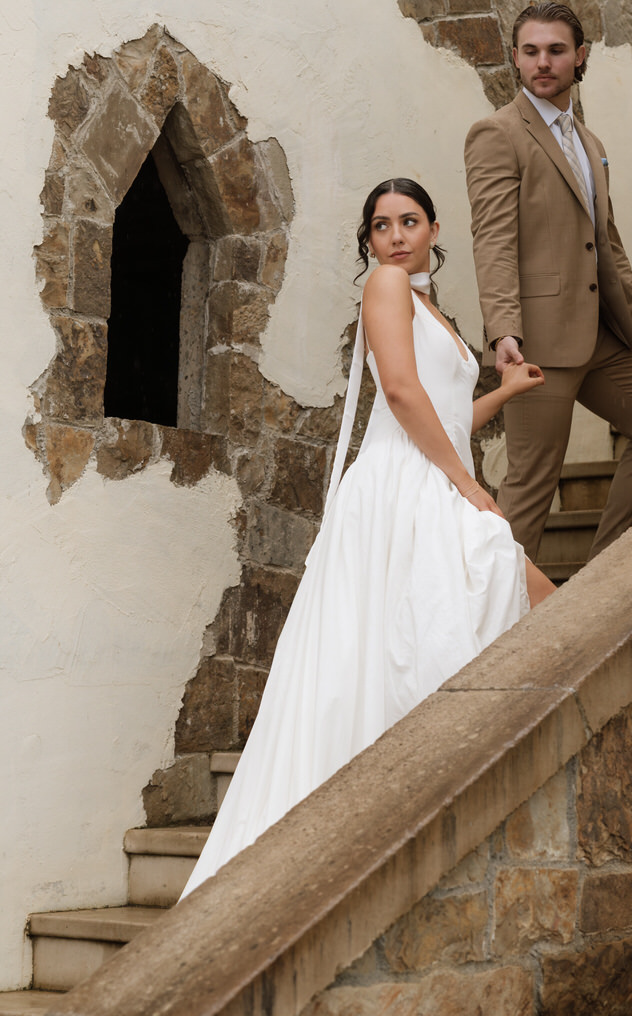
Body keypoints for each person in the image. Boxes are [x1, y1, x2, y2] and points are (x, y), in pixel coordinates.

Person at [180, 178, 552, 899]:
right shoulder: (385, 285)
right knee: (511, 591)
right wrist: (470, 489)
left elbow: (435, 414)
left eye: (410, 221)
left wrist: (502, 394)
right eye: (382, 226)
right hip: (404, 488)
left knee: (481, 610)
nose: (397, 237)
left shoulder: (423, 304)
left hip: (423, 471)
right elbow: (405, 399)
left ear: (435, 228)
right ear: (370, 242)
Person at [464, 1, 632, 565]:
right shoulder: (496, 134)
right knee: (530, 490)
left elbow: (610, 250)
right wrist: (503, 329)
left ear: (580, 57)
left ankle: (600, 569)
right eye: (530, 51)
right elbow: (493, 241)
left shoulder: (591, 144)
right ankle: (495, 631)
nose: (543, 62)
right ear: (514, 58)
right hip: (535, 342)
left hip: (601, 338)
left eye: (556, 50)